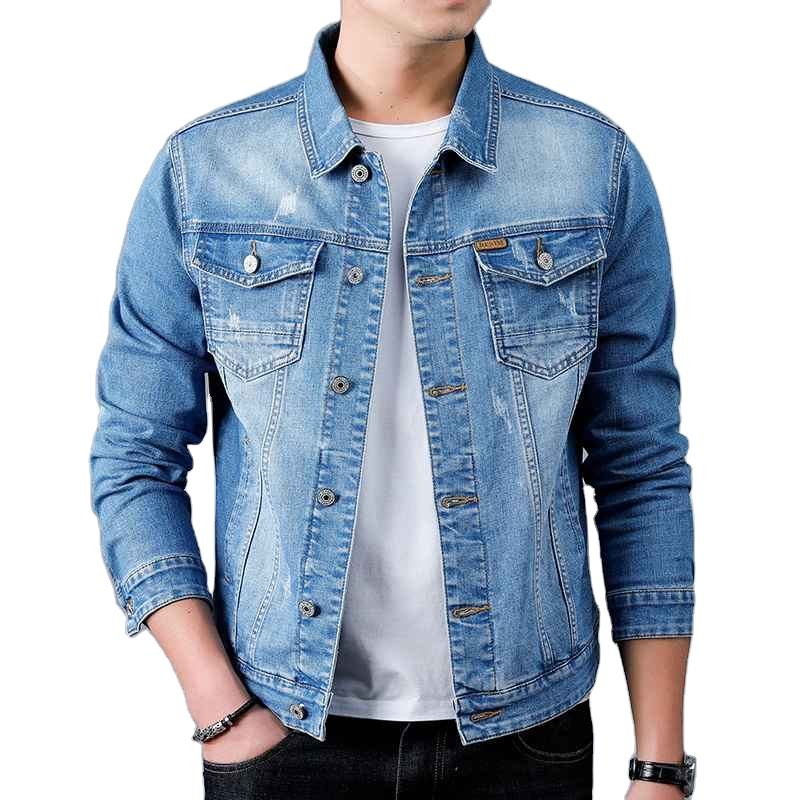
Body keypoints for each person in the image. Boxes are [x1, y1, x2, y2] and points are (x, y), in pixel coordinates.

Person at [89, 2, 696, 798]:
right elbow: (135, 457)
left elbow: (641, 463)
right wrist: (221, 709)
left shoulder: (589, 162)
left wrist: (659, 763)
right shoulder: (207, 170)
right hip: (282, 733)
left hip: (527, 735)